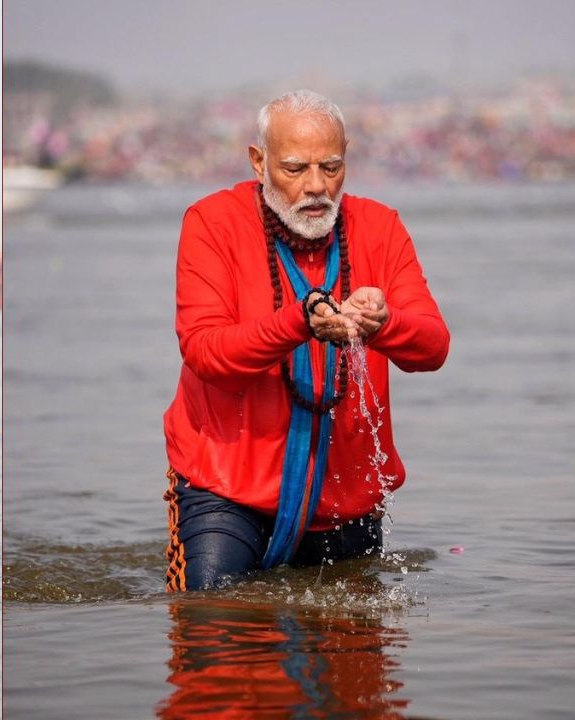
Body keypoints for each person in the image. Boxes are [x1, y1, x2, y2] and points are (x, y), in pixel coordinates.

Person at [162, 90, 450, 591]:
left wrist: (384, 323)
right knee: (210, 625)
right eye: (295, 169)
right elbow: (207, 354)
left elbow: (433, 347)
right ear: (259, 161)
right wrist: (300, 320)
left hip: (346, 497)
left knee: (353, 655)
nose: (317, 187)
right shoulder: (210, 223)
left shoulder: (380, 226)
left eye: (331, 167)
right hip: (225, 492)